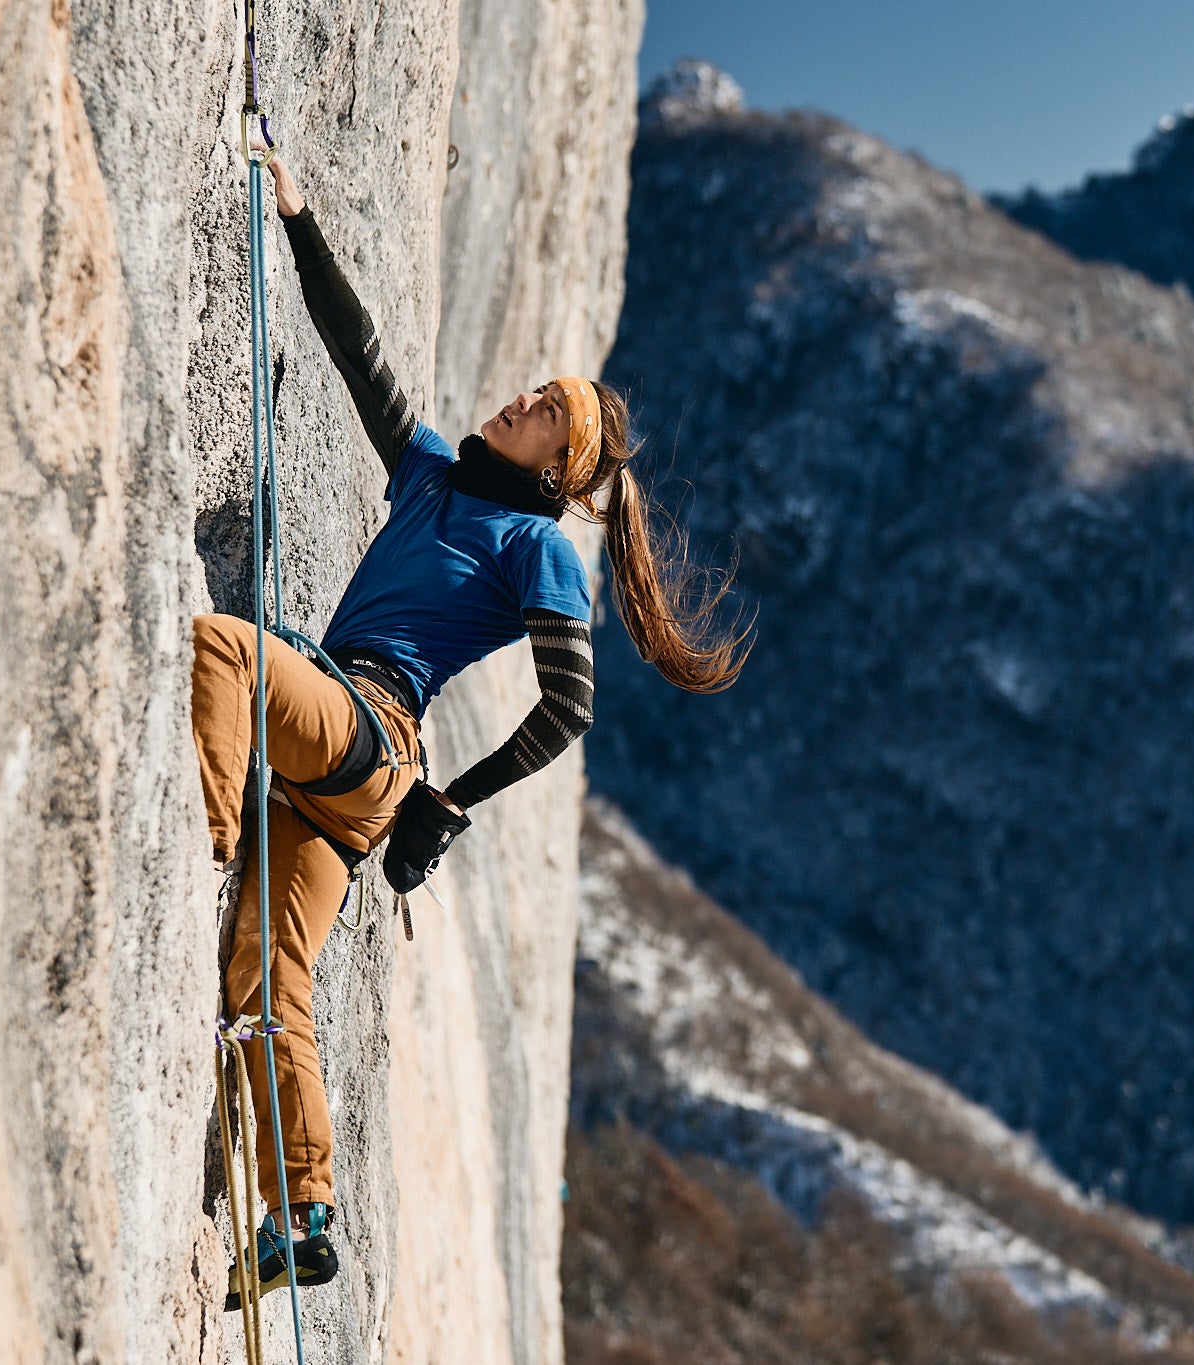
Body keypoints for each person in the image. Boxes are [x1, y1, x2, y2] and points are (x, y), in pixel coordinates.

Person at [196, 144, 748, 1308]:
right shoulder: (435, 474)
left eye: (551, 410)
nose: (527, 400)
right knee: (263, 981)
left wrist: (453, 802)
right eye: (537, 391)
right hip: (337, 771)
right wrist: (297, 217)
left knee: (222, 653)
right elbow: (362, 360)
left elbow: (570, 706)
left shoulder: (539, 548)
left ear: (566, 464)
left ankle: (185, 850)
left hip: (367, 736)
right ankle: (304, 1211)